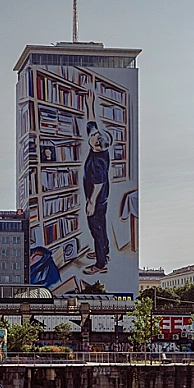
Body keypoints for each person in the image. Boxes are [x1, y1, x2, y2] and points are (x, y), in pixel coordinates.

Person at [82, 88, 112, 275]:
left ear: (97, 144)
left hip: (98, 200)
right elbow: (91, 124)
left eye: (93, 137)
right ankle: (105, 252)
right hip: (102, 199)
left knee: (97, 230)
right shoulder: (99, 145)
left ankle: (100, 264)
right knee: (102, 226)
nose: (91, 135)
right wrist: (89, 104)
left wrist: (91, 202)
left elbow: (99, 182)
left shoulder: (99, 160)